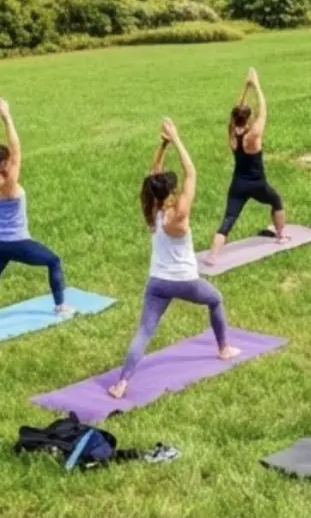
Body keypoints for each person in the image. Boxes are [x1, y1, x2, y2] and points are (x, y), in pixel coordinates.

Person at [109, 119, 240, 399]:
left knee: (144, 331)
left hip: (157, 282)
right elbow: (191, 172)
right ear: (169, 193)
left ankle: (121, 383)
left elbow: (151, 176)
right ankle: (224, 348)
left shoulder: (151, 209)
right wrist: (177, 139)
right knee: (215, 300)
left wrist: (162, 144)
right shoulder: (178, 216)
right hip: (185, 281)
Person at [0, 95, 72, 344]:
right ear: (4, 164)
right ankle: (61, 306)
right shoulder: (10, 183)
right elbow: (17, 150)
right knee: (53, 261)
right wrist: (7, 116)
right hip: (19, 243)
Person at [206, 68, 287, 264]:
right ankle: (280, 235)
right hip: (258, 184)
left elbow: (235, 111)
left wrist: (245, 86)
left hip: (238, 185)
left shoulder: (232, 134)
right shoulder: (253, 136)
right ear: (248, 118)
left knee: (228, 220)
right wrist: (256, 85)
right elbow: (263, 109)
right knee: (276, 201)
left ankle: (212, 256)